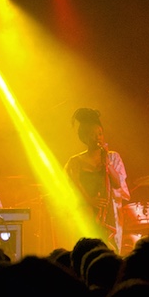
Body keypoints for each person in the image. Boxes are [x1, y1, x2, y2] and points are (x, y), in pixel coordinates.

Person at [64, 107, 131, 253]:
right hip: (86, 213)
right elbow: (71, 189)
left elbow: (117, 183)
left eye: (100, 133)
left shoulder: (113, 157)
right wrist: (89, 200)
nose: (98, 138)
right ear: (84, 138)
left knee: (110, 251)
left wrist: (107, 162)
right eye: (93, 135)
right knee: (87, 250)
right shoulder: (75, 161)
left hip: (109, 214)